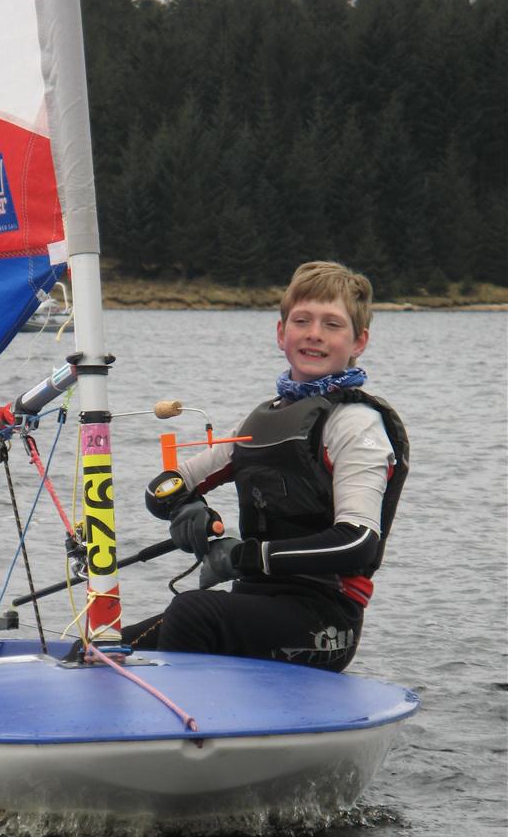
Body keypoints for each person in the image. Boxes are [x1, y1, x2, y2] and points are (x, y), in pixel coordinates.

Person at [121, 260, 409, 672]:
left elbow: (357, 541)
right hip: (254, 604)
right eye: (302, 320)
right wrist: (190, 513)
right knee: (110, 643)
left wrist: (248, 557)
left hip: (324, 621)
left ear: (359, 341)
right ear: (281, 333)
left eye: (332, 324)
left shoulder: (357, 424)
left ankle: (188, 731)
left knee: (190, 612)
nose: (314, 334)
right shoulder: (259, 423)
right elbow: (164, 486)